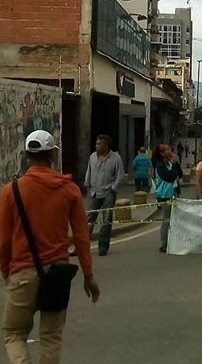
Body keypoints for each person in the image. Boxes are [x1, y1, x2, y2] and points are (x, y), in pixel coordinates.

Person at [0, 130, 100, 363]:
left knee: (14, 334)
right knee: (51, 337)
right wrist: (88, 274)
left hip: (22, 273)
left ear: (26, 155)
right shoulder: (70, 190)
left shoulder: (10, 192)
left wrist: (7, 272)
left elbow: (3, 242)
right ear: (52, 156)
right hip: (57, 273)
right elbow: (82, 237)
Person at [84, 134, 124, 256]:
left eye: (99, 144)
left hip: (108, 193)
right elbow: (89, 171)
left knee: (106, 220)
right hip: (93, 192)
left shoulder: (116, 158)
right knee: (88, 220)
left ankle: (103, 247)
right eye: (96, 144)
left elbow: (120, 175)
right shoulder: (92, 157)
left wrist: (113, 188)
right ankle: (83, 246)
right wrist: (87, 183)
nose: (97, 146)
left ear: (106, 145)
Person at [155, 144, 184, 253]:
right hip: (165, 195)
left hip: (174, 193)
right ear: (162, 153)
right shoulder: (160, 165)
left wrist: (177, 164)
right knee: (167, 220)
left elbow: (179, 174)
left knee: (175, 219)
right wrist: (175, 165)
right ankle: (163, 244)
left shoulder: (170, 163)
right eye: (167, 149)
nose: (170, 150)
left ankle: (174, 241)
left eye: (170, 148)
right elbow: (170, 177)